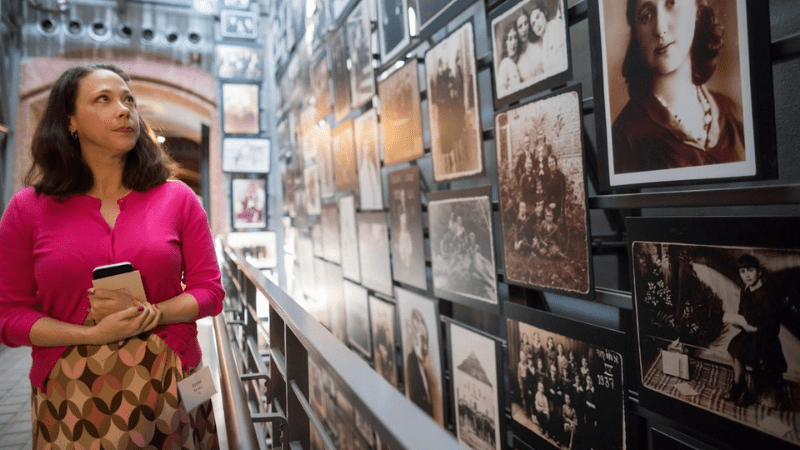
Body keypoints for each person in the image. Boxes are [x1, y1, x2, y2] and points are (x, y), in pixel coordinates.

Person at [0, 63, 224, 448]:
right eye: (103, 100)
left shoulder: (178, 199)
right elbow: (9, 315)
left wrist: (152, 313)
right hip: (70, 394)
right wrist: (91, 334)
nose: (124, 110)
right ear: (69, 121)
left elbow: (210, 292)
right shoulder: (27, 210)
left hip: (170, 378)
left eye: (128, 100)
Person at [612, 0, 745, 173]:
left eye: (670, 3)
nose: (660, 29)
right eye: (646, 16)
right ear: (636, 33)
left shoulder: (732, 113)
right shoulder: (625, 136)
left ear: (698, 8)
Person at [725, 254, 788, 408]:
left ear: (759, 272)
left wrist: (756, 328)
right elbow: (743, 314)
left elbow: (773, 325)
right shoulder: (745, 291)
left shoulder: (766, 294)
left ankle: (738, 388)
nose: (746, 275)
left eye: (750, 270)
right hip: (749, 333)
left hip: (765, 337)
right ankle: (741, 386)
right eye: (743, 271)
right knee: (732, 348)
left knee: (739, 351)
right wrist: (738, 323)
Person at [406, 308, 434, 417]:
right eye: (422, 339)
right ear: (415, 339)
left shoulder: (424, 370)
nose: (425, 346)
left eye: (426, 340)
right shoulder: (411, 361)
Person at [515, 8, 544, 82]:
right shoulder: (518, 61)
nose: (524, 29)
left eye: (526, 23)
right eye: (520, 26)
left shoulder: (539, 43)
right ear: (516, 31)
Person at [496, 22, 522, 96]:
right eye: (510, 39)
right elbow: (501, 91)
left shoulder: (518, 60)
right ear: (505, 43)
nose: (513, 42)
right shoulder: (504, 64)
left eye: (515, 38)